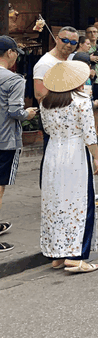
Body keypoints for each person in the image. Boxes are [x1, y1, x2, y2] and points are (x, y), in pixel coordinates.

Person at [39, 61, 98, 273]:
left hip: (53, 153)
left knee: (55, 204)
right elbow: (89, 133)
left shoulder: (45, 102)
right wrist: (97, 157)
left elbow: (47, 130)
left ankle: (57, 253)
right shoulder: (81, 101)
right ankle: (76, 256)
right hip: (75, 152)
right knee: (80, 203)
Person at [0, 36, 38, 252]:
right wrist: (28, 113)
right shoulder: (14, 80)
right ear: (11, 53)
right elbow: (15, 111)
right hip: (4, 139)